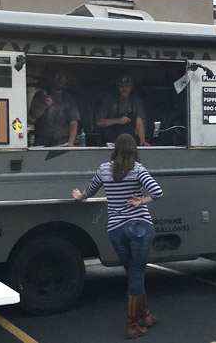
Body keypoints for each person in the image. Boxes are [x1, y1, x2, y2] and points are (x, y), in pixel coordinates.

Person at [72, 134, 162, 339]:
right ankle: (132, 325)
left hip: (116, 230)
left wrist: (79, 197)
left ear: (115, 149)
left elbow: (90, 191)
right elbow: (157, 192)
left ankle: (146, 315)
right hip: (140, 227)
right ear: (133, 150)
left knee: (132, 272)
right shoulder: (138, 169)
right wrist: (142, 200)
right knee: (137, 273)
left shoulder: (104, 169)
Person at [96, 73, 150, 146]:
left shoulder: (137, 102)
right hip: (111, 143)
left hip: (131, 143)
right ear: (117, 87)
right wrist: (117, 120)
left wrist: (142, 141)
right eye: (121, 86)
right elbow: (99, 122)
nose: (124, 89)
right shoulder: (109, 101)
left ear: (132, 87)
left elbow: (139, 122)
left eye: (127, 86)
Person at [29, 70, 80, 147]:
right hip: (41, 143)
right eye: (57, 77)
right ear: (51, 79)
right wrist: (44, 105)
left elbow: (73, 122)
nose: (60, 80)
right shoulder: (40, 95)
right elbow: (33, 116)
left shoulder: (69, 99)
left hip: (62, 143)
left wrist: (70, 142)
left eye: (63, 77)